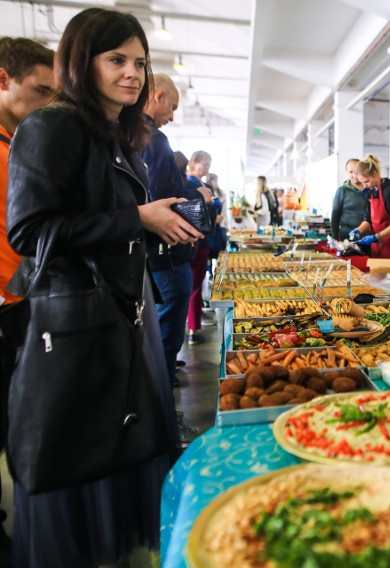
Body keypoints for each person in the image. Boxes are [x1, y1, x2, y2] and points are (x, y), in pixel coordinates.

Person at [5, 8, 197, 565]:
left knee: (119, 452)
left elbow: (104, 220)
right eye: (116, 60)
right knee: (82, 459)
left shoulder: (111, 136)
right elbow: (31, 231)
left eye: (139, 62)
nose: (133, 74)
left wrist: (158, 232)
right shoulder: (52, 125)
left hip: (117, 319)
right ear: (80, 62)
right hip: (74, 330)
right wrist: (136, 220)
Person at [0, 34, 55, 560]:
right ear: (3, 79)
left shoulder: (22, 145)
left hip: (25, 307)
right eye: (40, 92)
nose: (47, 105)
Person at [142, 73, 205, 389]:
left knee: (160, 338)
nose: (172, 116)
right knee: (166, 339)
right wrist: (198, 196)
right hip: (166, 257)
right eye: (173, 107)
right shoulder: (153, 139)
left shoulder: (131, 136)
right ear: (158, 96)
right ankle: (164, 421)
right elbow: (167, 198)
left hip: (150, 257)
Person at [349, 155, 390, 259]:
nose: (365, 186)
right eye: (362, 182)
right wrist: (358, 230)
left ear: (376, 173)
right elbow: (368, 219)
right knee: (378, 274)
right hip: (379, 243)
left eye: (367, 181)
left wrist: (376, 236)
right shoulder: (371, 192)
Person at [184, 150, 215, 345]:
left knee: (196, 284)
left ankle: (195, 324)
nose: (207, 168)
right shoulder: (190, 183)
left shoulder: (199, 183)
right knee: (194, 286)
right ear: (194, 162)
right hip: (197, 241)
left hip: (203, 241)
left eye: (209, 164)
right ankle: (193, 329)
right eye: (205, 163)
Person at [331, 158, 367, 241]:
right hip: (348, 239)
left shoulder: (370, 189)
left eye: (357, 171)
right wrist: (335, 238)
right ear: (347, 172)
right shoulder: (342, 191)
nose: (354, 175)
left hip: (369, 238)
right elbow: (335, 216)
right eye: (351, 172)